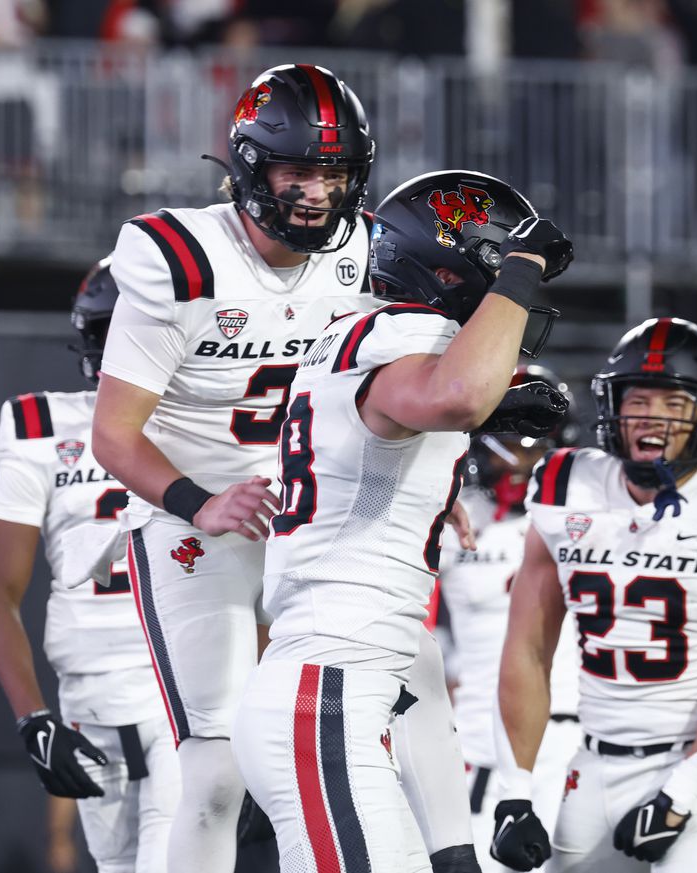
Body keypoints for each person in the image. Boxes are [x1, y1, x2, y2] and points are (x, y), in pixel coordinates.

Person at [231, 169, 573, 873]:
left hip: (341, 683)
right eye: (501, 269)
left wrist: (454, 849)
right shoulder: (402, 330)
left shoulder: (361, 340)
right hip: (324, 691)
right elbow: (455, 396)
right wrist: (522, 268)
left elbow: (415, 661)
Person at [91, 64, 379, 873]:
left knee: (339, 754)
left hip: (310, 524)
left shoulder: (359, 249)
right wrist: (202, 501)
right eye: (298, 168)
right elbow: (113, 435)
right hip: (196, 524)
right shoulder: (175, 257)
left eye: (334, 170)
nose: (319, 191)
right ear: (252, 166)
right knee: (216, 774)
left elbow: (374, 389)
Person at [492, 317, 697, 872]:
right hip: (594, 763)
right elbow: (526, 648)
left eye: (674, 404)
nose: (652, 417)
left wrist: (682, 793)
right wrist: (514, 789)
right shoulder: (565, 483)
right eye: (638, 400)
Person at [0, 259, 181, 872]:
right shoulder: (38, 426)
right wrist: (32, 718)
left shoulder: (216, 417)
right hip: (86, 700)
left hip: (179, 688)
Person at [438, 365, 585, 873]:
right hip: (476, 737)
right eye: (507, 436)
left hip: (572, 732)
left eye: (533, 441)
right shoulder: (451, 518)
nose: (519, 456)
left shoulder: (583, 518)